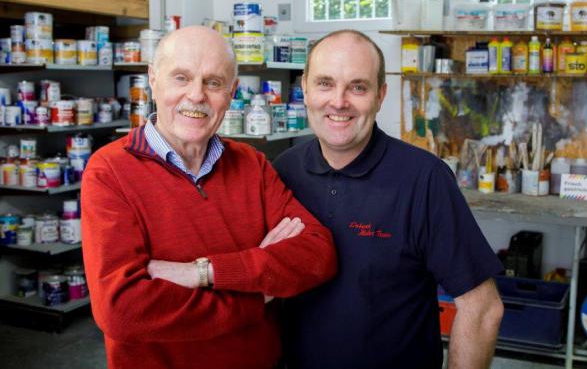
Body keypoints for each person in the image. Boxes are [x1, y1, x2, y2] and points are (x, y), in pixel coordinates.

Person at [81, 26, 337, 369]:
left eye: (213, 83)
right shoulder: (109, 171)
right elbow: (123, 311)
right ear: (153, 80)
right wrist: (258, 292)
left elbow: (318, 253)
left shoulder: (251, 164)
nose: (196, 95)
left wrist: (203, 272)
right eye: (181, 78)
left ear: (231, 93)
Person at [273, 30, 504, 369]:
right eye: (325, 83)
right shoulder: (281, 172)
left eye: (358, 87)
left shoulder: (424, 179)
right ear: (305, 88)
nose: (338, 101)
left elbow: (482, 309)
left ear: (380, 96)